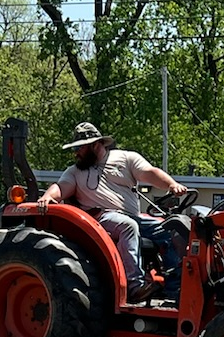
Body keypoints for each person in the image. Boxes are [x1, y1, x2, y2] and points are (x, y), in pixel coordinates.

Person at [39, 122, 185, 300]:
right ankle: (134, 286)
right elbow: (61, 187)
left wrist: (171, 185)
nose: (75, 153)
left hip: (132, 217)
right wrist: (48, 197)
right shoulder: (75, 172)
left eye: (79, 148)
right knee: (128, 226)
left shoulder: (126, 159)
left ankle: (175, 288)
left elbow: (149, 172)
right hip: (100, 219)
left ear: (95, 145)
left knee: (172, 229)